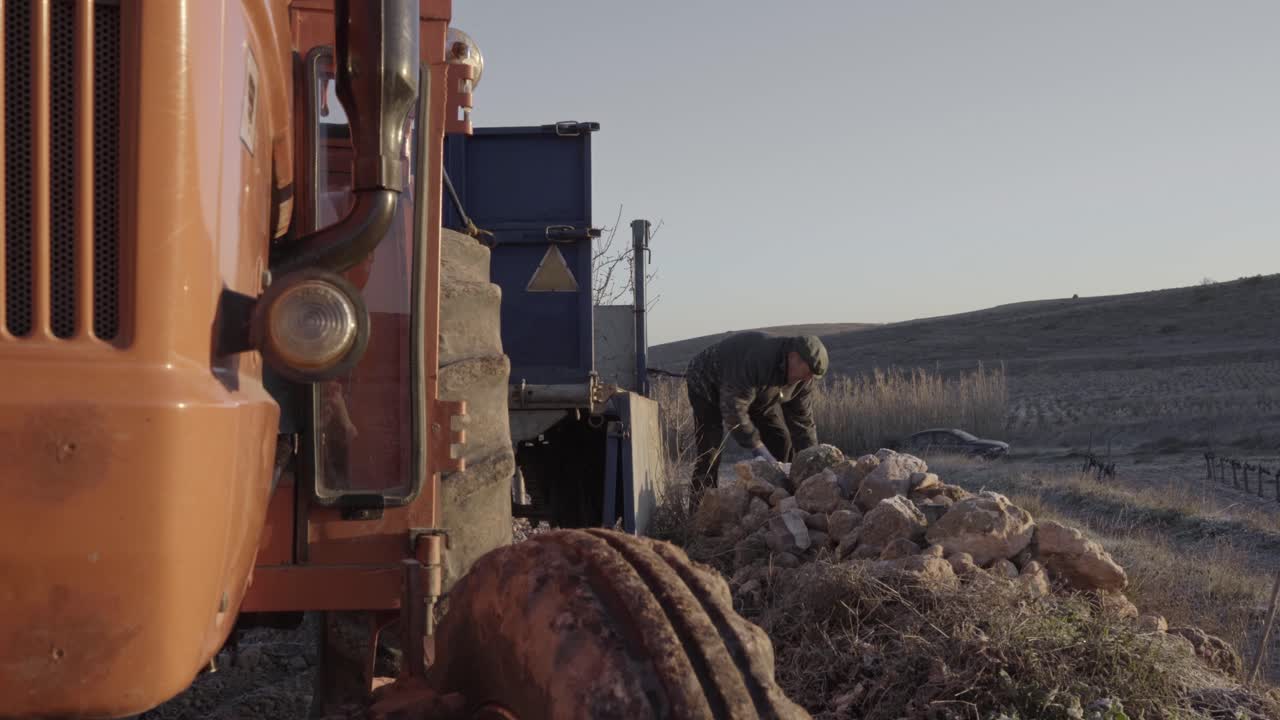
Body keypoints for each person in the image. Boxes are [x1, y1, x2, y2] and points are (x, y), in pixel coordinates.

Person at [685, 331, 828, 496]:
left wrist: (811, 461)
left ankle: (777, 499)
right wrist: (757, 447)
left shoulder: (803, 380)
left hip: (757, 394)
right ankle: (701, 511)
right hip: (707, 384)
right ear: (794, 356)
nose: (809, 379)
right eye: (808, 372)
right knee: (710, 452)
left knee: (781, 439)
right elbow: (733, 409)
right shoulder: (759, 358)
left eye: (813, 376)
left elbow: (803, 424)